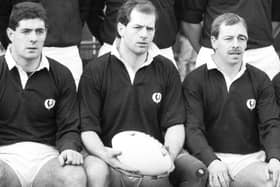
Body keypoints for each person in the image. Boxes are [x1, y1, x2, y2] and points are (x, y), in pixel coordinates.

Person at [78, 0, 207, 186]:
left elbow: (175, 125)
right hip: (109, 154)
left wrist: (168, 156)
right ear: (121, 29)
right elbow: (87, 129)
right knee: (96, 172)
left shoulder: (167, 69)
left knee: (194, 171)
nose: (144, 35)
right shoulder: (96, 70)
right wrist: (104, 154)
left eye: (149, 29)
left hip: (153, 158)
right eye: (137, 27)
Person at [183, 13, 280, 187]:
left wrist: (274, 157)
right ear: (214, 41)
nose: (236, 45)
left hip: (250, 162)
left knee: (274, 180)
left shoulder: (260, 79)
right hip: (210, 161)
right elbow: (193, 128)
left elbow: (270, 123)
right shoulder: (195, 80)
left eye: (241, 38)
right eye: (228, 38)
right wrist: (211, 161)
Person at [0, 2, 86, 187]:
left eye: (39, 32)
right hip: (4, 157)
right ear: (10, 34)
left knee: (75, 176)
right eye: (26, 31)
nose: (33, 39)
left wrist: (70, 148)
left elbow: (69, 125)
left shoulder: (61, 74)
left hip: (48, 158)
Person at [0, 0, 97, 87]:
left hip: (68, 51)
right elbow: (3, 12)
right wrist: (14, 43)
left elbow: (85, 8)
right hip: (27, 52)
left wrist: (71, 31)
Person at [181, 0, 280, 79]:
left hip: (261, 56)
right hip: (216, 56)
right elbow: (190, 21)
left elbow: (276, 18)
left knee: (268, 103)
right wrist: (209, 51)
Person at [86, 0, 182, 65]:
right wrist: (107, 36)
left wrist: (166, 33)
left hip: (161, 50)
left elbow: (181, 12)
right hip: (114, 48)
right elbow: (91, 10)